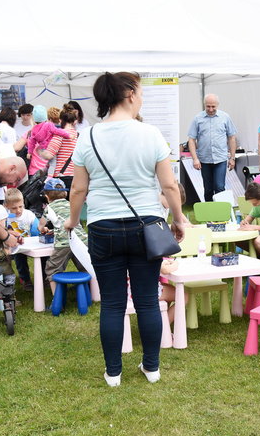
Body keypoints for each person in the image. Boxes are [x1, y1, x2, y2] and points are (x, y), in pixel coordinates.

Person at [66, 71, 189, 388]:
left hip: (103, 227)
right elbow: (169, 184)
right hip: (145, 226)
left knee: (112, 303)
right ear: (131, 94)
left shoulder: (88, 136)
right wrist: (178, 219)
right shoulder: (150, 134)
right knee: (148, 300)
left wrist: (72, 219)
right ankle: (151, 368)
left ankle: (113, 373)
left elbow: (78, 190)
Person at [38, 178, 87, 293]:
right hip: (82, 240)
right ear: (65, 193)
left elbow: (40, 226)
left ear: (47, 196)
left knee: (52, 269)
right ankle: (92, 294)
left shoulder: (49, 208)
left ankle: (57, 300)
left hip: (64, 242)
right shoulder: (71, 205)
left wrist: (44, 228)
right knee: (86, 266)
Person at [187, 94, 237, 202]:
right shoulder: (197, 119)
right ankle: (210, 216)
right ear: (204, 105)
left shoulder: (225, 117)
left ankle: (221, 215)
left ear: (218, 105)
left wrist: (232, 158)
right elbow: (191, 139)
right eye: (208, 106)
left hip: (220, 159)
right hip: (204, 160)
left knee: (219, 187)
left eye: (213, 106)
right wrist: (195, 158)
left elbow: (232, 137)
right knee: (208, 189)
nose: (210, 109)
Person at [4, 187, 39, 291]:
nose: (18, 210)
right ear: (6, 206)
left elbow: (37, 229)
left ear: (23, 203)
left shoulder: (29, 214)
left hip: (31, 243)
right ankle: (25, 279)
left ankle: (45, 278)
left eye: (20, 206)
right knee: (20, 258)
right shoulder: (6, 217)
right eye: (14, 208)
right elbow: (3, 230)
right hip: (15, 246)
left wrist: (33, 236)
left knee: (44, 258)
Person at [39, 104, 78, 188]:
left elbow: (49, 155)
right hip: (77, 177)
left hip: (61, 179)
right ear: (75, 121)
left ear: (60, 120)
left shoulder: (59, 135)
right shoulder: (79, 136)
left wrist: (38, 150)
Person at [27, 105, 69, 176]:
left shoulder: (33, 130)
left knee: (48, 163)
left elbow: (31, 142)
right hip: (50, 150)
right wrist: (68, 135)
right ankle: (49, 176)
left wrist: (29, 153)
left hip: (41, 154)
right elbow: (57, 131)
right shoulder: (49, 126)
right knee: (53, 163)